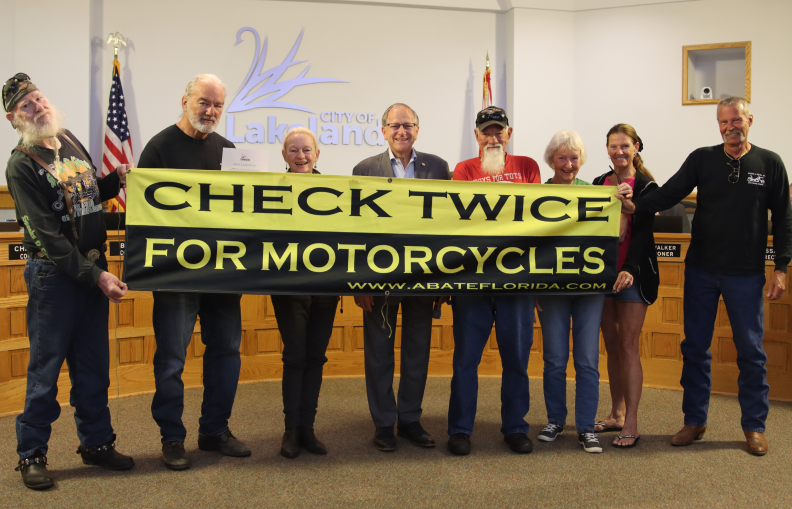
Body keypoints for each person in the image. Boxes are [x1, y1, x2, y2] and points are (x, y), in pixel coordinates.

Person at [630, 97, 791, 456]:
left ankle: (754, 426)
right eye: (723, 122)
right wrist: (633, 205)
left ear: (750, 119)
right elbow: (670, 192)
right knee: (695, 349)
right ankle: (694, 420)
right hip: (701, 270)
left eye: (736, 120)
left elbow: (783, 218)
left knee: (751, 353)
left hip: (746, 275)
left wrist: (780, 267)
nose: (730, 127)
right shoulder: (702, 158)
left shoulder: (770, 163)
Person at [3, 73, 134, 490]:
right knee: (46, 372)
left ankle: (96, 444)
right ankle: (31, 454)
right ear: (13, 118)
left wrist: (118, 179)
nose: (38, 107)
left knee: (93, 369)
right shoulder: (21, 164)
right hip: (54, 279)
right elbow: (46, 235)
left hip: (91, 275)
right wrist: (97, 276)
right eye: (27, 105)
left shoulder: (70, 139)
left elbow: (89, 193)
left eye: (39, 99)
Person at [137, 74, 250, 470]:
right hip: (176, 278)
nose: (211, 111)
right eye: (204, 102)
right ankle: (172, 438)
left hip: (222, 275)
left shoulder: (230, 151)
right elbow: (143, 213)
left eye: (218, 105)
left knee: (226, 353)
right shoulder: (159, 147)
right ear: (184, 101)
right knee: (171, 359)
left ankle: (214, 430)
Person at [352, 103, 450, 451]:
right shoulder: (364, 169)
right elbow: (357, 230)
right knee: (379, 351)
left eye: (408, 125)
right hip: (378, 279)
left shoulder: (438, 167)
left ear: (417, 130)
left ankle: (409, 419)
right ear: (384, 131)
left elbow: (446, 226)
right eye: (395, 125)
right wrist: (359, 283)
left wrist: (443, 282)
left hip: (424, 278)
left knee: (417, 351)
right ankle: (382, 424)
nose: (401, 131)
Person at [447, 107, 540, 456]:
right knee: (466, 359)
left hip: (517, 282)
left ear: (509, 133)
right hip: (473, 281)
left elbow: (538, 218)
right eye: (486, 132)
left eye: (498, 131)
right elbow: (457, 221)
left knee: (516, 357)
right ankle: (460, 429)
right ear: (476, 136)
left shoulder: (528, 167)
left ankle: (516, 427)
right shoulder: (463, 170)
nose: (493, 138)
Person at [536, 130, 606, 454]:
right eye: (562, 158)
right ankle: (555, 419)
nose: (568, 164)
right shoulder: (537, 195)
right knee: (554, 358)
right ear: (551, 160)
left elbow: (613, 233)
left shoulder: (595, 194)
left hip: (589, 289)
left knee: (588, 360)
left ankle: (587, 427)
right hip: (551, 289)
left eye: (574, 158)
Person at [591, 124, 659, 449]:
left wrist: (630, 268)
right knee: (612, 344)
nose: (619, 152)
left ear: (636, 148)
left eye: (625, 146)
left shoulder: (647, 185)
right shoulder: (597, 183)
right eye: (613, 147)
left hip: (633, 275)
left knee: (629, 346)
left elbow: (644, 233)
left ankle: (631, 422)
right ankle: (616, 413)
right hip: (603, 274)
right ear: (607, 150)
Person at [274, 127, 339, 458]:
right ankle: (291, 430)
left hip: (326, 288)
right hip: (288, 287)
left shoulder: (337, 192)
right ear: (284, 155)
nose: (301, 156)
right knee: (294, 356)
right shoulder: (270, 190)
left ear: (317, 154)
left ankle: (309, 430)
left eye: (307, 150)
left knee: (316, 357)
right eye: (293, 150)